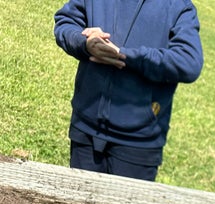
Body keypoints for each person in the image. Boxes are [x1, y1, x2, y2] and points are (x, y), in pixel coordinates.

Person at [53, 0, 204, 182]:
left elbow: (188, 63)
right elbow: (66, 22)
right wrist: (84, 43)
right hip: (85, 129)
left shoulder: (179, 6)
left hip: (138, 143)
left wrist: (126, 55)